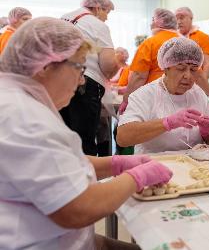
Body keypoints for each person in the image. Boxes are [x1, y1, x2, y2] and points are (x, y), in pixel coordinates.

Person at [0, 17, 172, 249]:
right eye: (80, 68)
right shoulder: (25, 118)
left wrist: (115, 164)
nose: (82, 80)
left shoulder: (18, 102)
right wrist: (136, 177)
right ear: (45, 66)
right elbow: (77, 209)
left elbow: (58, 162)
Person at [117, 37, 209, 154]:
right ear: (166, 69)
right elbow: (123, 138)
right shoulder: (145, 94)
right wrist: (167, 123)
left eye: (193, 70)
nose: (188, 76)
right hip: (153, 165)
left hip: (192, 165)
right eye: (181, 68)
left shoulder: (198, 94)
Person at [60, 0, 120, 155]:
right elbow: (107, 64)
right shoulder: (98, 25)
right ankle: (86, 178)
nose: (106, 18)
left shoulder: (62, 19)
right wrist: (118, 62)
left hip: (58, 81)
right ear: (98, 8)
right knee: (84, 139)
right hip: (86, 84)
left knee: (63, 136)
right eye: (107, 12)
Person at [121, 8, 179, 110]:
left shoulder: (150, 43)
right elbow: (196, 73)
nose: (150, 24)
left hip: (154, 97)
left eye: (152, 20)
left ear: (159, 22)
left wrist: (126, 100)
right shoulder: (186, 42)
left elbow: (139, 76)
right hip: (181, 96)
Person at [175, 7, 209, 96]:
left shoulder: (202, 37)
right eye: (176, 18)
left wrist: (201, 86)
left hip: (196, 84)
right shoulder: (172, 37)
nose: (178, 21)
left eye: (181, 17)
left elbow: (207, 63)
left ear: (191, 18)